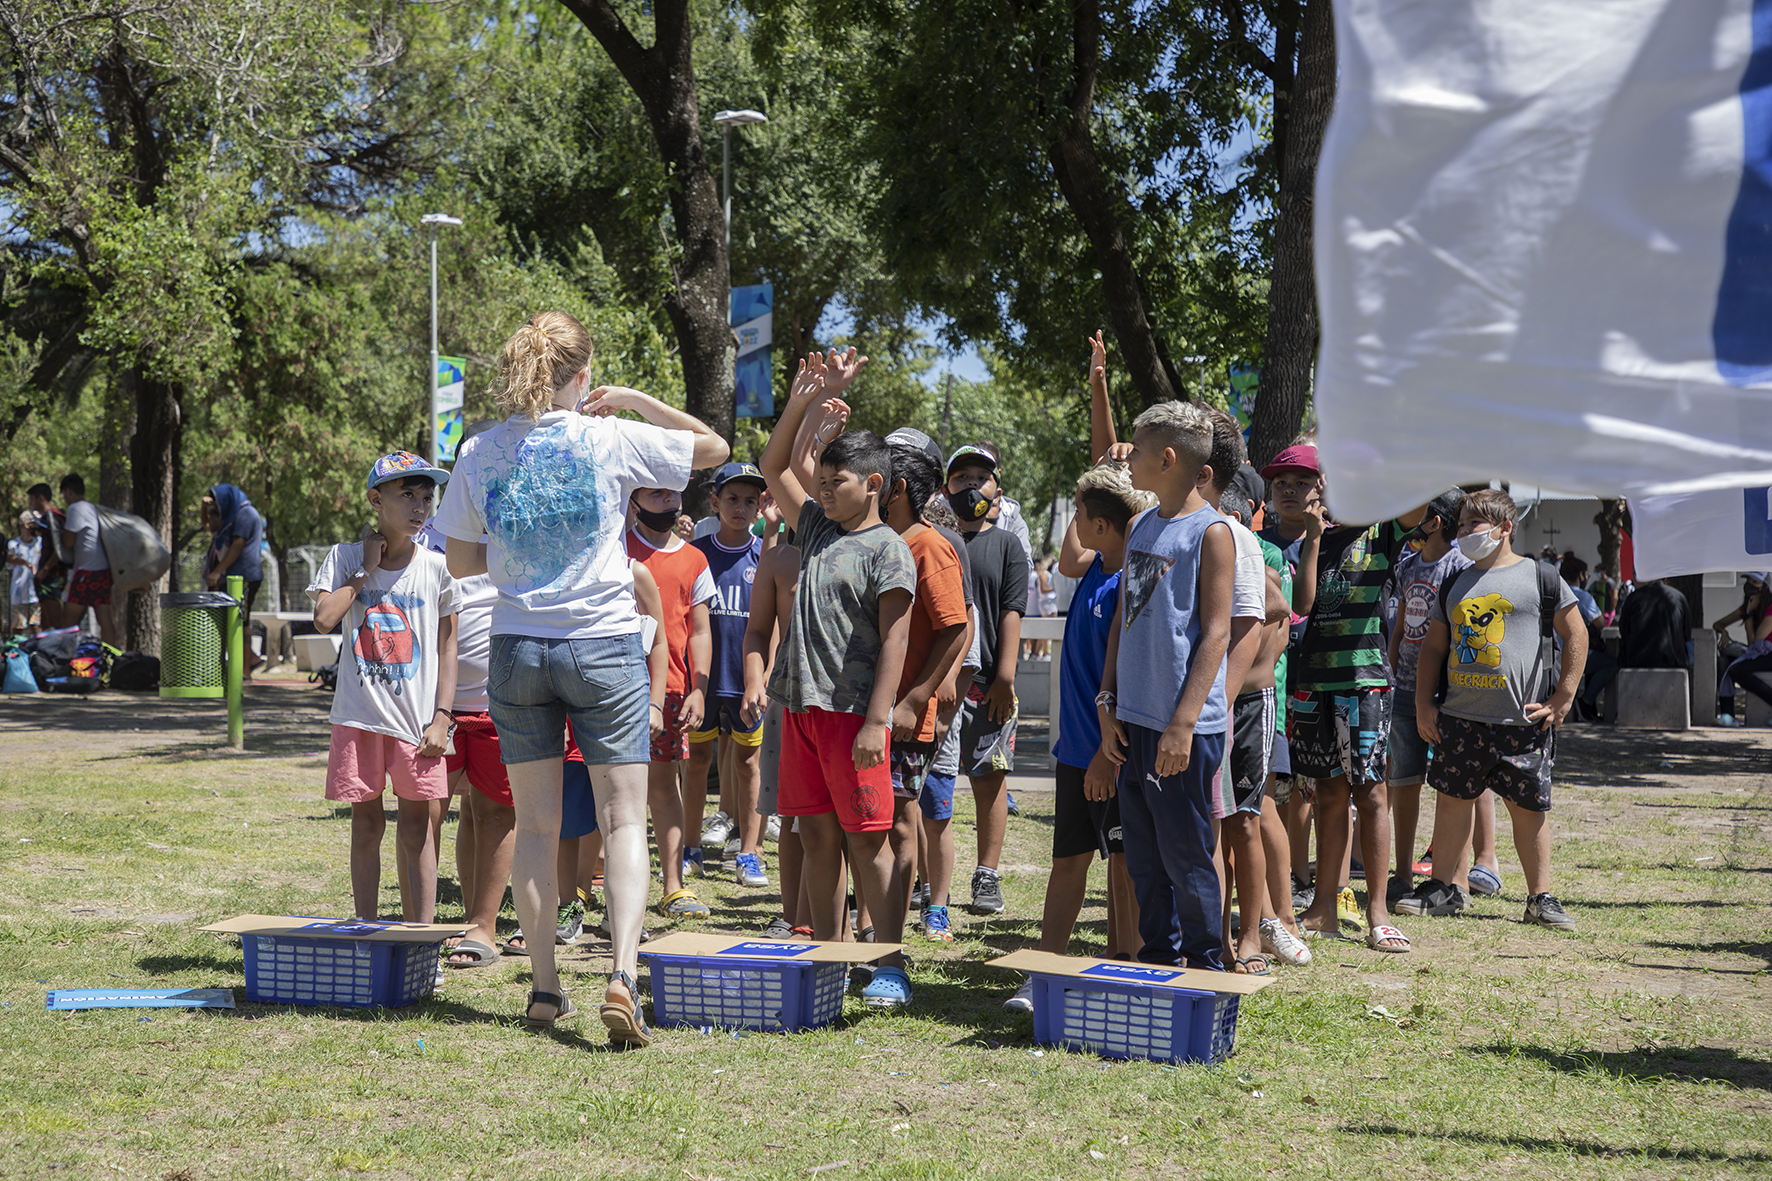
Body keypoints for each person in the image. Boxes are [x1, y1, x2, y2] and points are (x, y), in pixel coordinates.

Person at [435, 309, 727, 1046]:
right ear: (583, 374)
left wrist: (520, 549)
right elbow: (714, 447)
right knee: (624, 816)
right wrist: (630, 399)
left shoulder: (480, 450)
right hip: (602, 645)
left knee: (535, 825)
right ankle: (623, 974)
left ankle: (542, 986)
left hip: (516, 649)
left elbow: (462, 560)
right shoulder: (609, 435)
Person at [759, 351, 916, 994]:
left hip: (853, 720)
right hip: (800, 710)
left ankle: (886, 962)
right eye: (821, 481)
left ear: (873, 484)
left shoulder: (889, 550)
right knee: (818, 838)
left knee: (867, 843)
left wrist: (878, 719)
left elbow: (896, 642)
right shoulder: (819, 528)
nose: (823, 490)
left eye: (837, 480)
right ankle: (831, 958)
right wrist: (804, 399)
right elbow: (774, 466)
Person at [1405, 489, 1585, 932]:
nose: (1465, 532)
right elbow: (1433, 647)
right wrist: (1424, 703)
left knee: (1528, 809)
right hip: (1461, 718)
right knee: (1452, 801)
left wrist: (1562, 698)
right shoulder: (1456, 581)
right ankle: (1444, 887)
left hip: (1521, 721)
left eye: (1474, 525)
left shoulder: (1540, 577)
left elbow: (1576, 634)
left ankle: (1539, 896)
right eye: (1462, 525)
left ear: (1505, 527)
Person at [1095, 400, 1234, 970]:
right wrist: (1108, 703)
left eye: (1139, 448)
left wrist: (1183, 723)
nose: (1128, 457)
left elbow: (1217, 634)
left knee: (1186, 855)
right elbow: (1124, 625)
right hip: (1132, 722)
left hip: (1183, 729)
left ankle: (1205, 967)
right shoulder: (1141, 525)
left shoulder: (1213, 533)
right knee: (1143, 857)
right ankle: (1158, 960)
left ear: (1169, 458)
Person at [1277, 445, 1424, 952]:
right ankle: (1323, 907)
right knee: (1329, 795)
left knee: (1372, 794)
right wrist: (1315, 539)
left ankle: (1378, 910)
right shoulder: (1297, 541)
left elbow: (1418, 506)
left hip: (1364, 684)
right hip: (1314, 685)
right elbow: (1305, 606)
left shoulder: (1380, 531)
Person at [309, 452, 460, 927]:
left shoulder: (438, 567)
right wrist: (364, 571)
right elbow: (325, 618)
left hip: (417, 726)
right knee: (367, 824)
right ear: (376, 500)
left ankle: (421, 941)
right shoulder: (346, 557)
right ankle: (366, 931)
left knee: (419, 829)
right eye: (407, 495)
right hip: (359, 718)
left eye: (426, 496)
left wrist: (442, 717)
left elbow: (449, 647)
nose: (420, 506)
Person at [874, 436, 969, 1002]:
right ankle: (863, 938)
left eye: (876, 475)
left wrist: (916, 698)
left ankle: (891, 958)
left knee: (900, 823)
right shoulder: (879, 540)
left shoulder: (929, 547)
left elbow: (956, 627)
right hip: (863, 714)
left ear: (898, 488)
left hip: (906, 721)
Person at [1202, 411, 1294, 976]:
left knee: (1244, 820)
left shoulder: (1241, 542)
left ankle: (1253, 935)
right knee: (1212, 823)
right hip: (1210, 700)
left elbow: (1279, 607)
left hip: (1249, 704)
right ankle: (1218, 937)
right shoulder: (1190, 526)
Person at [1383, 490, 1496, 909]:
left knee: (1457, 785)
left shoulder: (1460, 567)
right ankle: (1402, 872)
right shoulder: (1408, 565)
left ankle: (1460, 876)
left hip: (1448, 695)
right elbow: (1398, 630)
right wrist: (1393, 678)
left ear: (1434, 521)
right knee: (1403, 781)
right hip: (1405, 691)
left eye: (1422, 510)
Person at [945, 441, 1029, 915]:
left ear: (997, 489)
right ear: (945, 487)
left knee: (989, 777)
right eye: (961, 478)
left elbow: (1013, 610)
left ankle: (987, 874)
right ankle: (922, 877)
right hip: (938, 681)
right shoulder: (934, 536)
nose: (971, 486)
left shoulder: (1007, 544)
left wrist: (1006, 677)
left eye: (981, 477)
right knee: (931, 784)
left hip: (990, 686)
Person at [627, 482, 716, 913]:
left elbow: (700, 631)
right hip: (611, 686)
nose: (667, 500)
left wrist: (699, 689)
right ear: (632, 499)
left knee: (664, 786)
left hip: (672, 691)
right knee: (604, 787)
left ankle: (674, 885)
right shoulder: (613, 547)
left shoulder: (695, 558)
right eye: (655, 492)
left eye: (672, 492)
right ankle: (591, 878)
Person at [688, 462, 771, 887]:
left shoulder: (766, 556)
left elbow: (773, 627)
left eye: (750, 501)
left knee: (749, 763)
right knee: (698, 760)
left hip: (746, 682)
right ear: (715, 502)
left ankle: (749, 852)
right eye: (732, 499)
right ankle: (691, 848)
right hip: (702, 680)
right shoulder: (696, 553)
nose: (741, 508)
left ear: (761, 508)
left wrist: (763, 680)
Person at [1254, 447, 1323, 914]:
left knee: (1306, 784)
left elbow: (1305, 606)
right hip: (1268, 678)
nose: (1289, 490)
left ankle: (1301, 875)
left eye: (1301, 482)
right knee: (1269, 784)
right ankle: (1267, 877)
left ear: (1321, 489)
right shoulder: (1252, 542)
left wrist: (1317, 541)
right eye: (1280, 483)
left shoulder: (1332, 540)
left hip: (1318, 675)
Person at [742, 516, 805, 937]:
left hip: (847, 705)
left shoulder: (870, 546)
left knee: (849, 823)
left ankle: (864, 922)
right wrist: (753, 679)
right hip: (787, 697)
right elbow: (759, 631)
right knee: (792, 814)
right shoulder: (780, 558)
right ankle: (794, 915)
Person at [205, 484, 266, 659]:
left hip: (244, 576)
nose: (217, 507)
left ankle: (246, 669)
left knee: (241, 619)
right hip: (234, 577)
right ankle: (249, 661)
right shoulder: (235, 515)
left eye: (218, 502)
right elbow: (210, 526)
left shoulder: (245, 513)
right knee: (233, 620)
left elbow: (238, 544)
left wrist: (217, 571)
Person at [58, 473, 116, 646]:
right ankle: (113, 658)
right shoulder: (91, 507)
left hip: (87, 572)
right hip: (103, 570)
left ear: (68, 492)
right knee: (104, 618)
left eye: (64, 494)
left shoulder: (75, 508)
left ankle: (64, 657)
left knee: (69, 618)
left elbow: (68, 542)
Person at [1713, 574, 1772, 725]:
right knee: (1723, 662)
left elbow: (1755, 641)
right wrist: (1723, 632)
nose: (1749, 584)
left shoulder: (1770, 609)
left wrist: (1749, 616)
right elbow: (1718, 624)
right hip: (1756, 654)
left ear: (1765, 586)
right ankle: (1728, 715)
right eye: (1748, 580)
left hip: (1768, 654)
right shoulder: (1747, 607)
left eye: (1755, 581)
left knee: (1737, 670)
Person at [25, 484, 67, 630]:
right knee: (45, 620)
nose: (31, 504)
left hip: (54, 575)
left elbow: (61, 548)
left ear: (41, 498)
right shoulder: (44, 520)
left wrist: (45, 569)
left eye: (32, 499)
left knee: (57, 621)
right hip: (45, 576)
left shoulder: (54, 517)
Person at [7, 512, 41, 639]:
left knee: (37, 627)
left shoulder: (40, 543)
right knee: (18, 629)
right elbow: (10, 568)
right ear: (27, 525)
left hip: (36, 594)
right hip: (18, 595)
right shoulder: (13, 545)